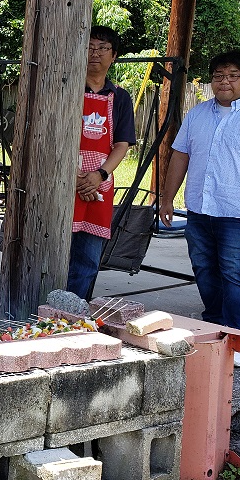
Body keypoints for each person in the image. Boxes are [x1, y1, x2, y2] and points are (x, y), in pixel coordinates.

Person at [160, 50, 240, 367]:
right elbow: (180, 156)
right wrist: (166, 198)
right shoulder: (198, 114)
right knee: (205, 272)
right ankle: (214, 328)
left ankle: (236, 341)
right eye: (218, 76)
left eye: (233, 75)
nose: (224, 82)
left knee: (234, 275)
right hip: (200, 210)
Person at [66, 25, 137, 300]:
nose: (95, 53)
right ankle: (44, 314)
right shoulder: (66, 89)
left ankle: (74, 314)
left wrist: (99, 175)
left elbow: (121, 144)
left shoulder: (120, 97)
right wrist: (72, 173)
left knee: (88, 259)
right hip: (65, 179)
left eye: (103, 48)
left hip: (99, 186)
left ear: (114, 55)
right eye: (90, 47)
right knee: (55, 252)